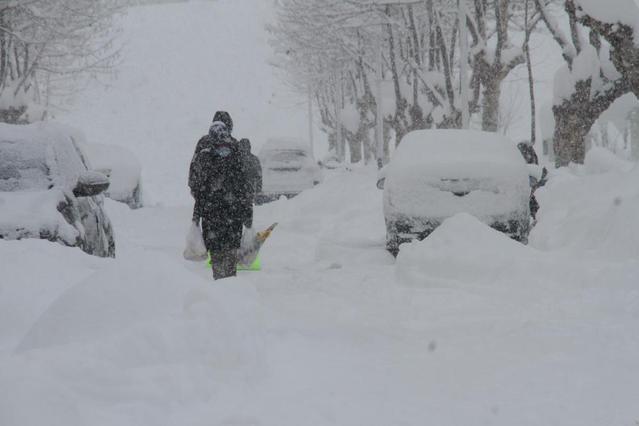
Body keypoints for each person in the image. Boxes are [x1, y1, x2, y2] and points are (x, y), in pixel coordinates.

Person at [188, 112, 252, 279]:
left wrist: (200, 207)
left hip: (211, 214)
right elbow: (244, 183)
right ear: (229, 127)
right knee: (230, 252)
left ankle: (220, 281)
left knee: (217, 253)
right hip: (234, 213)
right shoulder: (235, 146)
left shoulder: (203, 146)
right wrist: (247, 215)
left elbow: (194, 180)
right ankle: (230, 281)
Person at [238, 138, 262, 214]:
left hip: (241, 188)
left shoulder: (236, 158)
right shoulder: (254, 159)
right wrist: (258, 188)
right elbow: (258, 175)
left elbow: (258, 175)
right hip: (247, 187)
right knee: (247, 206)